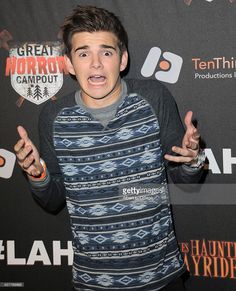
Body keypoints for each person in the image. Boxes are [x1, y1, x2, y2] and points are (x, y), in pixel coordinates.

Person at [14, 5, 205, 291]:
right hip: (93, 282)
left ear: (123, 59)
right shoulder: (53, 118)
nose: (95, 64)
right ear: (68, 64)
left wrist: (192, 159)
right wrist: (37, 175)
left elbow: (185, 182)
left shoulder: (154, 98)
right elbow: (52, 201)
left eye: (106, 52)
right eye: (83, 54)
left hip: (161, 277)